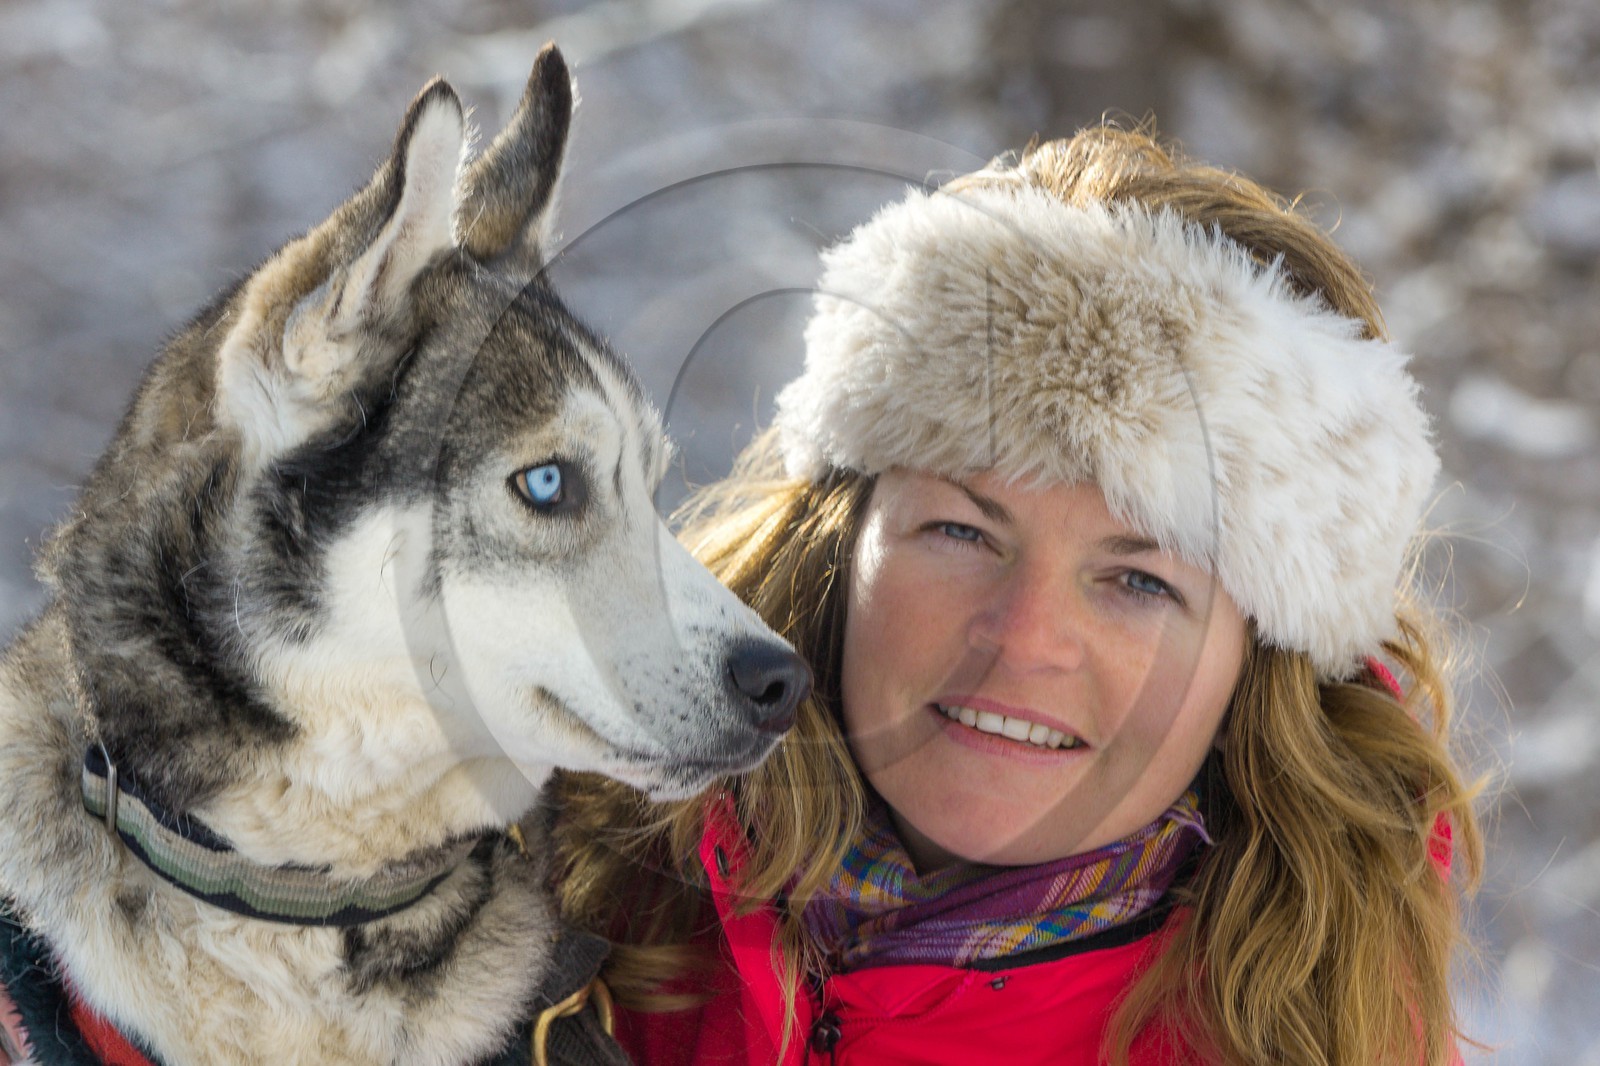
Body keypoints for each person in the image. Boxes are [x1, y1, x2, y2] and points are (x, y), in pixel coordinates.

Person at [553, 127, 1483, 1066]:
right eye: (962, 532)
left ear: (1255, 668)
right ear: (841, 535)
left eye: (1138, 582)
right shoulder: (559, 869)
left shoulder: (1330, 1039)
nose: (1023, 637)